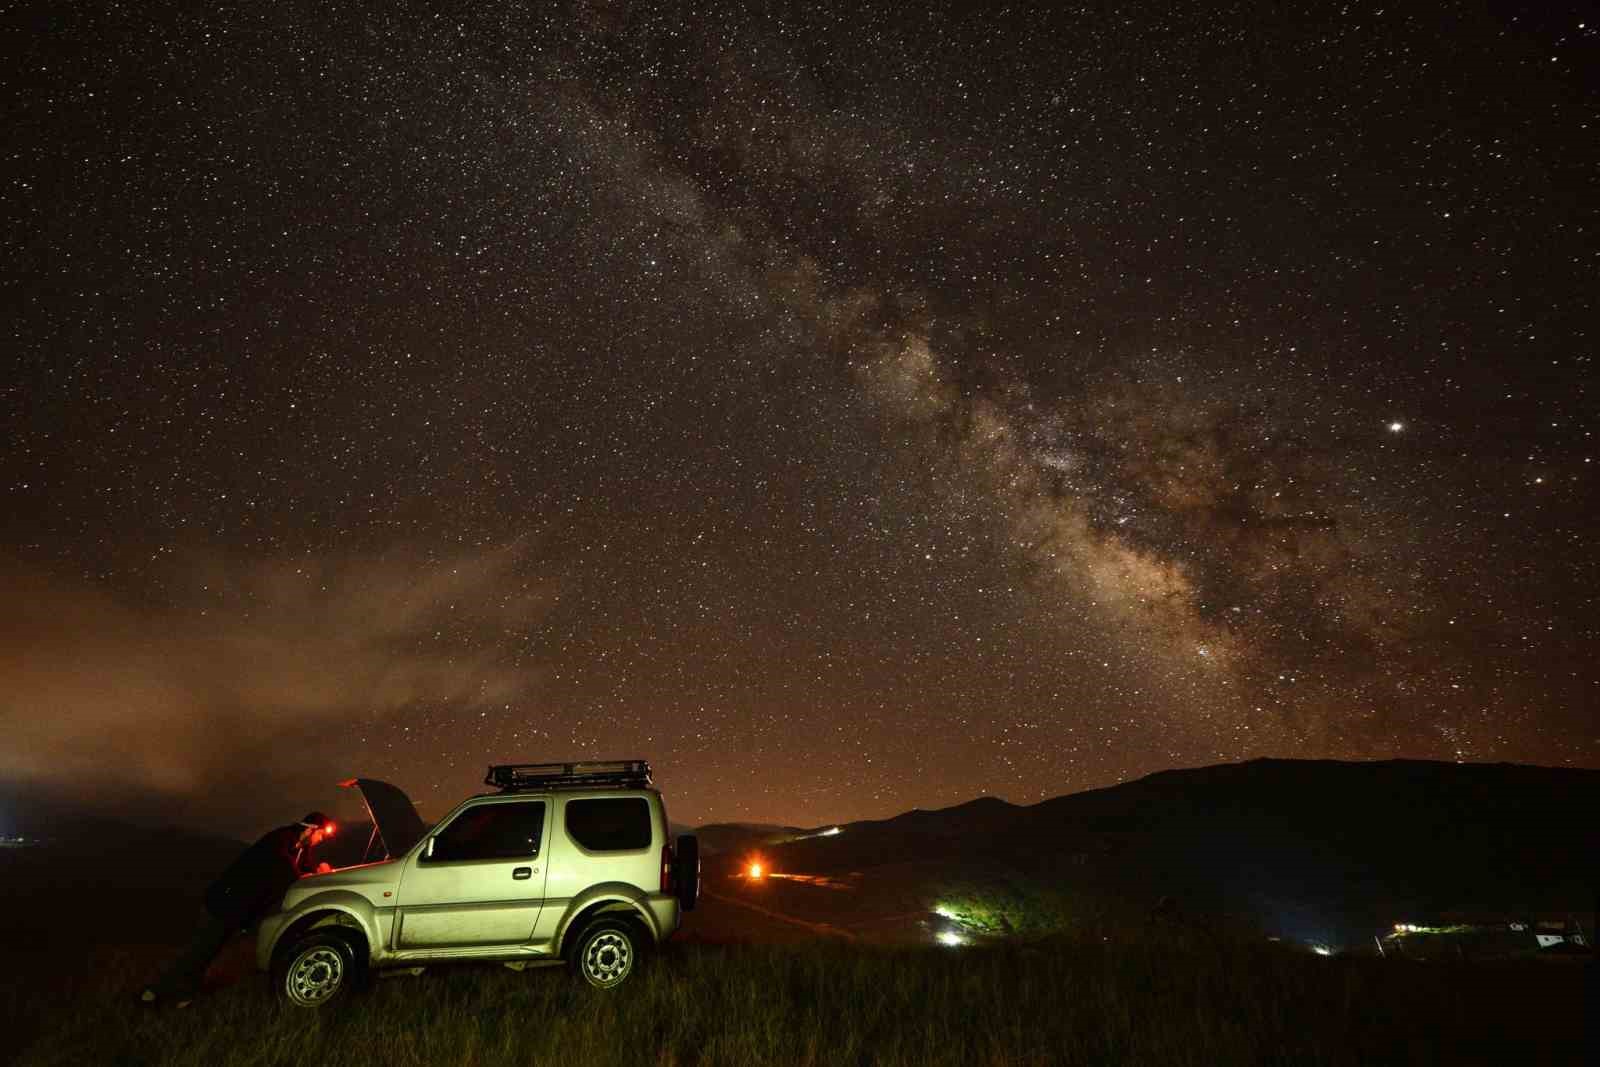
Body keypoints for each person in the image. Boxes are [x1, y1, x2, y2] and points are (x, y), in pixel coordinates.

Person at [139, 812, 334, 1006]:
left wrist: (319, 873)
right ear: (311, 829)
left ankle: (185, 993)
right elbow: (287, 870)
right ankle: (154, 992)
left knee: (208, 952)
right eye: (321, 835)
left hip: (239, 909)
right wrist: (316, 874)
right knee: (199, 950)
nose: (320, 840)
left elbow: (303, 871)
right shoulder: (280, 839)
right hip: (225, 901)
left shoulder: (299, 850)